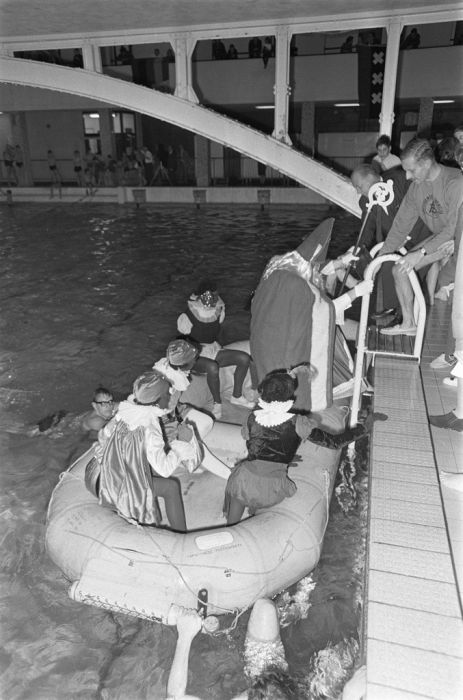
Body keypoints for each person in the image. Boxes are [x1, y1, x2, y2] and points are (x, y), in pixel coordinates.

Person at [250, 219, 373, 415]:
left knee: (274, 384)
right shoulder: (297, 284)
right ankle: (294, 412)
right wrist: (356, 292)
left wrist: (340, 262)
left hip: (266, 339)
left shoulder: (279, 268)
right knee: (286, 386)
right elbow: (325, 310)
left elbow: (315, 267)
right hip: (283, 344)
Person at [224, 371, 378, 525]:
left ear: (263, 394)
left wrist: (277, 456)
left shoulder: (253, 417)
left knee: (239, 477)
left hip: (244, 482)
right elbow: (335, 442)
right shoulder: (298, 423)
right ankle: (252, 509)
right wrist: (364, 428)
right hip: (272, 491)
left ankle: (230, 523)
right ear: (289, 397)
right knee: (247, 481)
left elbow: (255, 445)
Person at [85, 369, 205, 531]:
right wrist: (181, 445)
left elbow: (104, 435)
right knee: (171, 487)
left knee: (146, 471)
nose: (170, 397)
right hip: (117, 486)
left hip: (99, 476)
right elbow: (164, 469)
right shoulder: (149, 425)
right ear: (158, 400)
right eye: (167, 395)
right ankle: (181, 535)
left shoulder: (124, 412)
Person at [379, 138, 463, 336]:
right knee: (400, 269)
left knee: (453, 297)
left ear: (426, 163)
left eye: (411, 170)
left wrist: (421, 253)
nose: (407, 176)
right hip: (444, 240)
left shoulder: (455, 181)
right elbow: (401, 226)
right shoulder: (417, 188)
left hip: (459, 239)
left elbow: (453, 227)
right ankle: (409, 323)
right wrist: (380, 258)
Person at [349, 163, 431, 320]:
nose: (358, 191)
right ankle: (392, 306)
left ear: (370, 179)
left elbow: (422, 207)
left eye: (359, 186)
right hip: (394, 242)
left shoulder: (400, 181)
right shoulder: (365, 202)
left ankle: (404, 313)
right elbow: (367, 231)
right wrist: (356, 251)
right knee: (385, 260)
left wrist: (405, 238)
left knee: (403, 267)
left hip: (420, 235)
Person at [177, 281, 255, 418]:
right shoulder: (187, 315)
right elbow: (182, 337)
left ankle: (236, 395)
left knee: (244, 358)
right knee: (212, 367)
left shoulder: (218, 310)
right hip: (193, 355)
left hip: (212, 349)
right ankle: (217, 403)